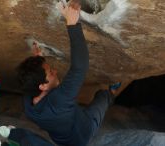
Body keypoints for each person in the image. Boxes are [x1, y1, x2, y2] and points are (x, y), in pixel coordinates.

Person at [16, 1, 121, 146]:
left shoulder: (29, 104)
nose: (55, 71)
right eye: (50, 72)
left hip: (61, 138)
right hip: (83, 133)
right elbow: (79, 67)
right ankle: (111, 92)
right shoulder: (59, 100)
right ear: (42, 86)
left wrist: (38, 59)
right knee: (100, 103)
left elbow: (28, 79)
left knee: (86, 108)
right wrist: (73, 24)